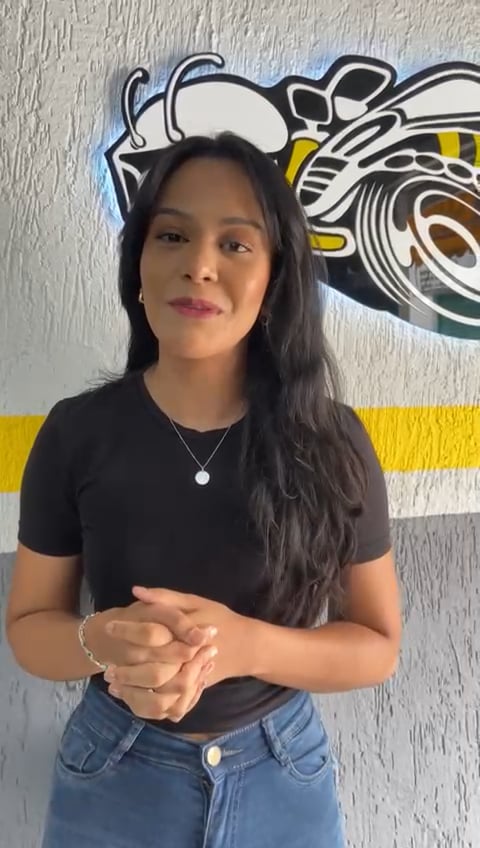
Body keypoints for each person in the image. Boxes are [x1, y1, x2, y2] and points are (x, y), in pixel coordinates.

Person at [6, 132, 401, 848]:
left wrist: (242, 646)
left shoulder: (331, 439)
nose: (199, 265)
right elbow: (32, 629)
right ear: (138, 264)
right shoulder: (76, 432)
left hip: (282, 773)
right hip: (114, 773)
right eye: (172, 236)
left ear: (275, 277)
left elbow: (375, 646)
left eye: (235, 244)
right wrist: (103, 641)